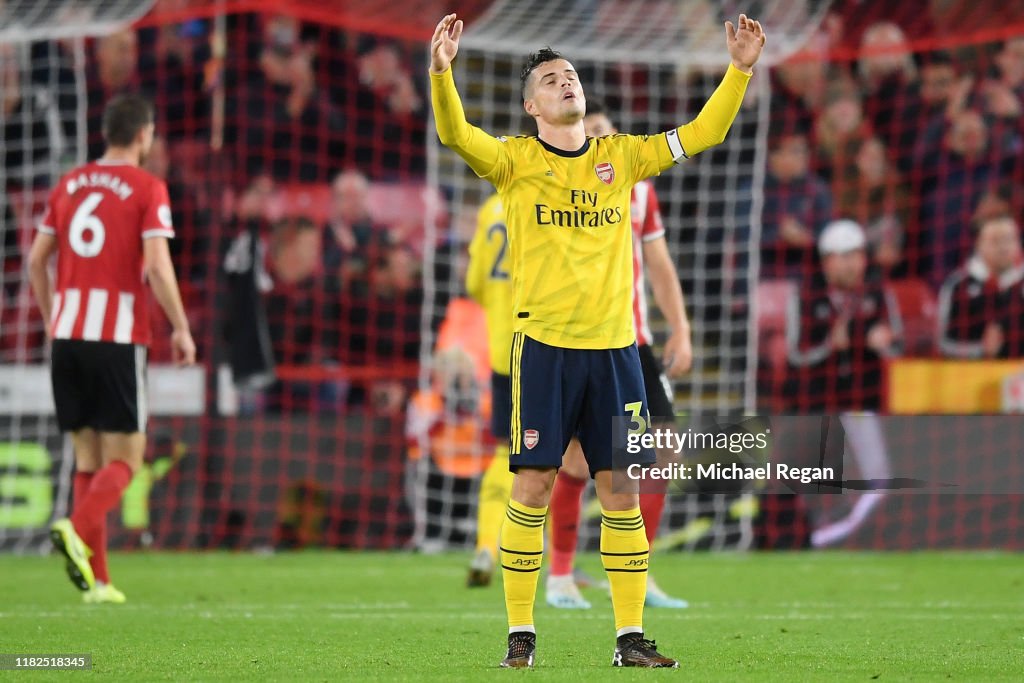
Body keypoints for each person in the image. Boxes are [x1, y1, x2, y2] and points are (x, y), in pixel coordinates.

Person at [429, 11, 764, 669]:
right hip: (545, 349)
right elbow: (453, 130)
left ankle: (629, 636)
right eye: (551, 79)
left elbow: (706, 131)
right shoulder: (513, 162)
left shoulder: (624, 155)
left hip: (616, 354)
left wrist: (739, 70)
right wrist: (443, 74)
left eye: (571, 75)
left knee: (621, 490)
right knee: (531, 483)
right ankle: (521, 632)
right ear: (531, 105)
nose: (566, 82)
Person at [27, 94, 196, 604]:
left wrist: (52, 316)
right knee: (128, 456)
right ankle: (77, 528)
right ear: (144, 135)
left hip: (68, 336)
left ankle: (98, 584)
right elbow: (159, 267)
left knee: (88, 457)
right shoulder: (147, 186)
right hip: (116, 337)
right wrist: (182, 328)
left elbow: (37, 262)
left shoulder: (70, 183)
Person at [545, 101, 692, 611]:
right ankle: (560, 575)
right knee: (579, 461)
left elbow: (659, 264)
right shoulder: (562, 185)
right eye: (593, 132)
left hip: (637, 340)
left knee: (662, 450)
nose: (601, 140)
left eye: (608, 132)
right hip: (583, 338)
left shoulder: (639, 189)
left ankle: (638, 575)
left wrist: (682, 329)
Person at [785, 220, 897, 548]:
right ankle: (820, 535)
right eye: (841, 256)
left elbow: (900, 346)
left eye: (856, 255)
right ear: (826, 261)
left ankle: (838, 536)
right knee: (820, 485)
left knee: (879, 480)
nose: (850, 264)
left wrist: (885, 343)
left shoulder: (878, 293)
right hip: (818, 406)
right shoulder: (806, 295)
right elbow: (796, 355)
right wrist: (829, 347)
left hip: (864, 403)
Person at [463, 192, 516, 587]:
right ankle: (553, 564)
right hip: (549, 344)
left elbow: (473, 283)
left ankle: (486, 545)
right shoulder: (546, 194)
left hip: (502, 353)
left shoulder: (490, 208)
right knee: (556, 459)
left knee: (505, 452)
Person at [938, 215, 1024, 358]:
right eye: (995, 241)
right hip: (971, 374)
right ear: (979, 244)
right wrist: (981, 349)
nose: (1004, 247)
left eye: (1009, 239)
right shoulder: (958, 285)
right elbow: (943, 343)